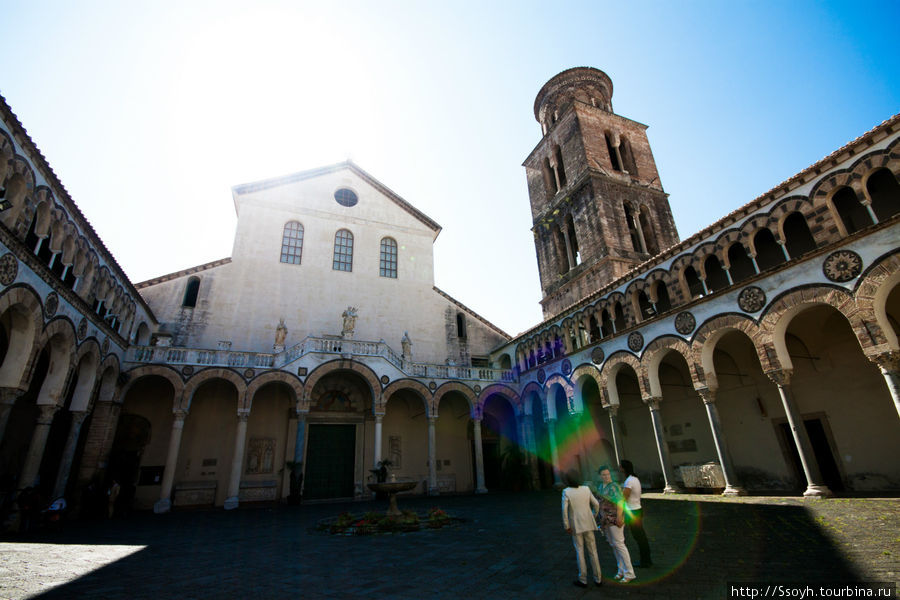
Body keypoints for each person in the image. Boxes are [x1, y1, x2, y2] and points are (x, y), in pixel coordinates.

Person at [561, 469, 602, 588]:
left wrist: (566, 525)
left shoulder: (566, 491)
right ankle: (598, 578)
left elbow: (564, 511)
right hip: (588, 523)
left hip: (576, 525)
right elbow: (597, 504)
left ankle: (583, 579)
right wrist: (593, 515)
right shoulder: (586, 489)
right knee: (593, 551)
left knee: (580, 551)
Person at [595, 465, 636, 582]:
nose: (606, 476)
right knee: (613, 544)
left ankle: (630, 573)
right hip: (604, 520)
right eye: (604, 475)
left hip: (614, 519)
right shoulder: (600, 486)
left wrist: (619, 516)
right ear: (600, 476)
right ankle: (621, 570)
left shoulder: (614, 486)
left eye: (608, 474)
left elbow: (620, 502)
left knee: (619, 544)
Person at [620, 459, 652, 567]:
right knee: (641, 536)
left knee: (639, 537)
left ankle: (645, 561)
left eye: (620, 466)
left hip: (633, 511)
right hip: (637, 508)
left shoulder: (629, 481)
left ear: (623, 468)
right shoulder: (635, 479)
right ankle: (646, 559)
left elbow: (624, 497)